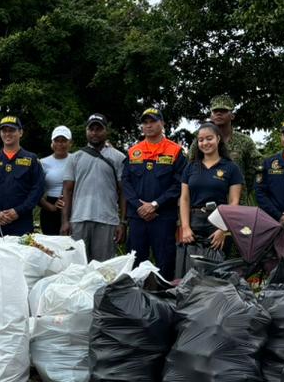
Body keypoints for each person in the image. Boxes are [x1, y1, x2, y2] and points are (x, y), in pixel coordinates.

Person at [122, 106, 187, 280]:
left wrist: (155, 205)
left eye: (153, 121)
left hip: (163, 217)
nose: (149, 126)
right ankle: (133, 301)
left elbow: (179, 184)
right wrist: (139, 207)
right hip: (137, 217)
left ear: (162, 123)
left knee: (165, 263)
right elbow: (126, 182)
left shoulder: (175, 151)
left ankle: (163, 302)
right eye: (145, 122)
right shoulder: (133, 151)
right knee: (133, 262)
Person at [60, 113, 126, 263]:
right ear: (86, 131)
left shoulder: (119, 157)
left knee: (103, 270)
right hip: (78, 219)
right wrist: (65, 221)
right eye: (91, 129)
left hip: (107, 221)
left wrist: (122, 222)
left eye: (99, 129)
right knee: (77, 267)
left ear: (106, 131)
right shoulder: (74, 158)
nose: (95, 132)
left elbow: (123, 192)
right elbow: (67, 191)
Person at [179, 122, 244, 257]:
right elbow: (184, 199)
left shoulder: (231, 167)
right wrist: (185, 227)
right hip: (194, 222)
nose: (205, 143)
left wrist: (223, 229)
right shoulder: (190, 167)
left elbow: (234, 202)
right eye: (201, 140)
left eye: (209, 138)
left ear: (218, 139)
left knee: (217, 270)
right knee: (193, 269)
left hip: (219, 221)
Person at [0, 115, 44, 240]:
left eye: (12, 130)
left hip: (22, 222)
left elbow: (37, 189)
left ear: (20, 133)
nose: (7, 134)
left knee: (23, 258)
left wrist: (18, 211)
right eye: (4, 130)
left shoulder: (31, 160)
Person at [208, 95, 260, 195]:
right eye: (215, 111)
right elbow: (191, 166)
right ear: (211, 116)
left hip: (238, 201)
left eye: (223, 110)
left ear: (232, 115)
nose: (219, 113)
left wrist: (244, 188)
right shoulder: (202, 141)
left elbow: (256, 167)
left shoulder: (245, 141)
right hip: (209, 201)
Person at [39, 125, 73, 236]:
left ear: (70, 143)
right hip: (50, 208)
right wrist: (50, 206)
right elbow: (35, 191)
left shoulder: (76, 159)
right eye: (57, 141)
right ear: (52, 143)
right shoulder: (42, 163)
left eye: (64, 141)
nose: (60, 144)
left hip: (73, 206)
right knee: (51, 247)